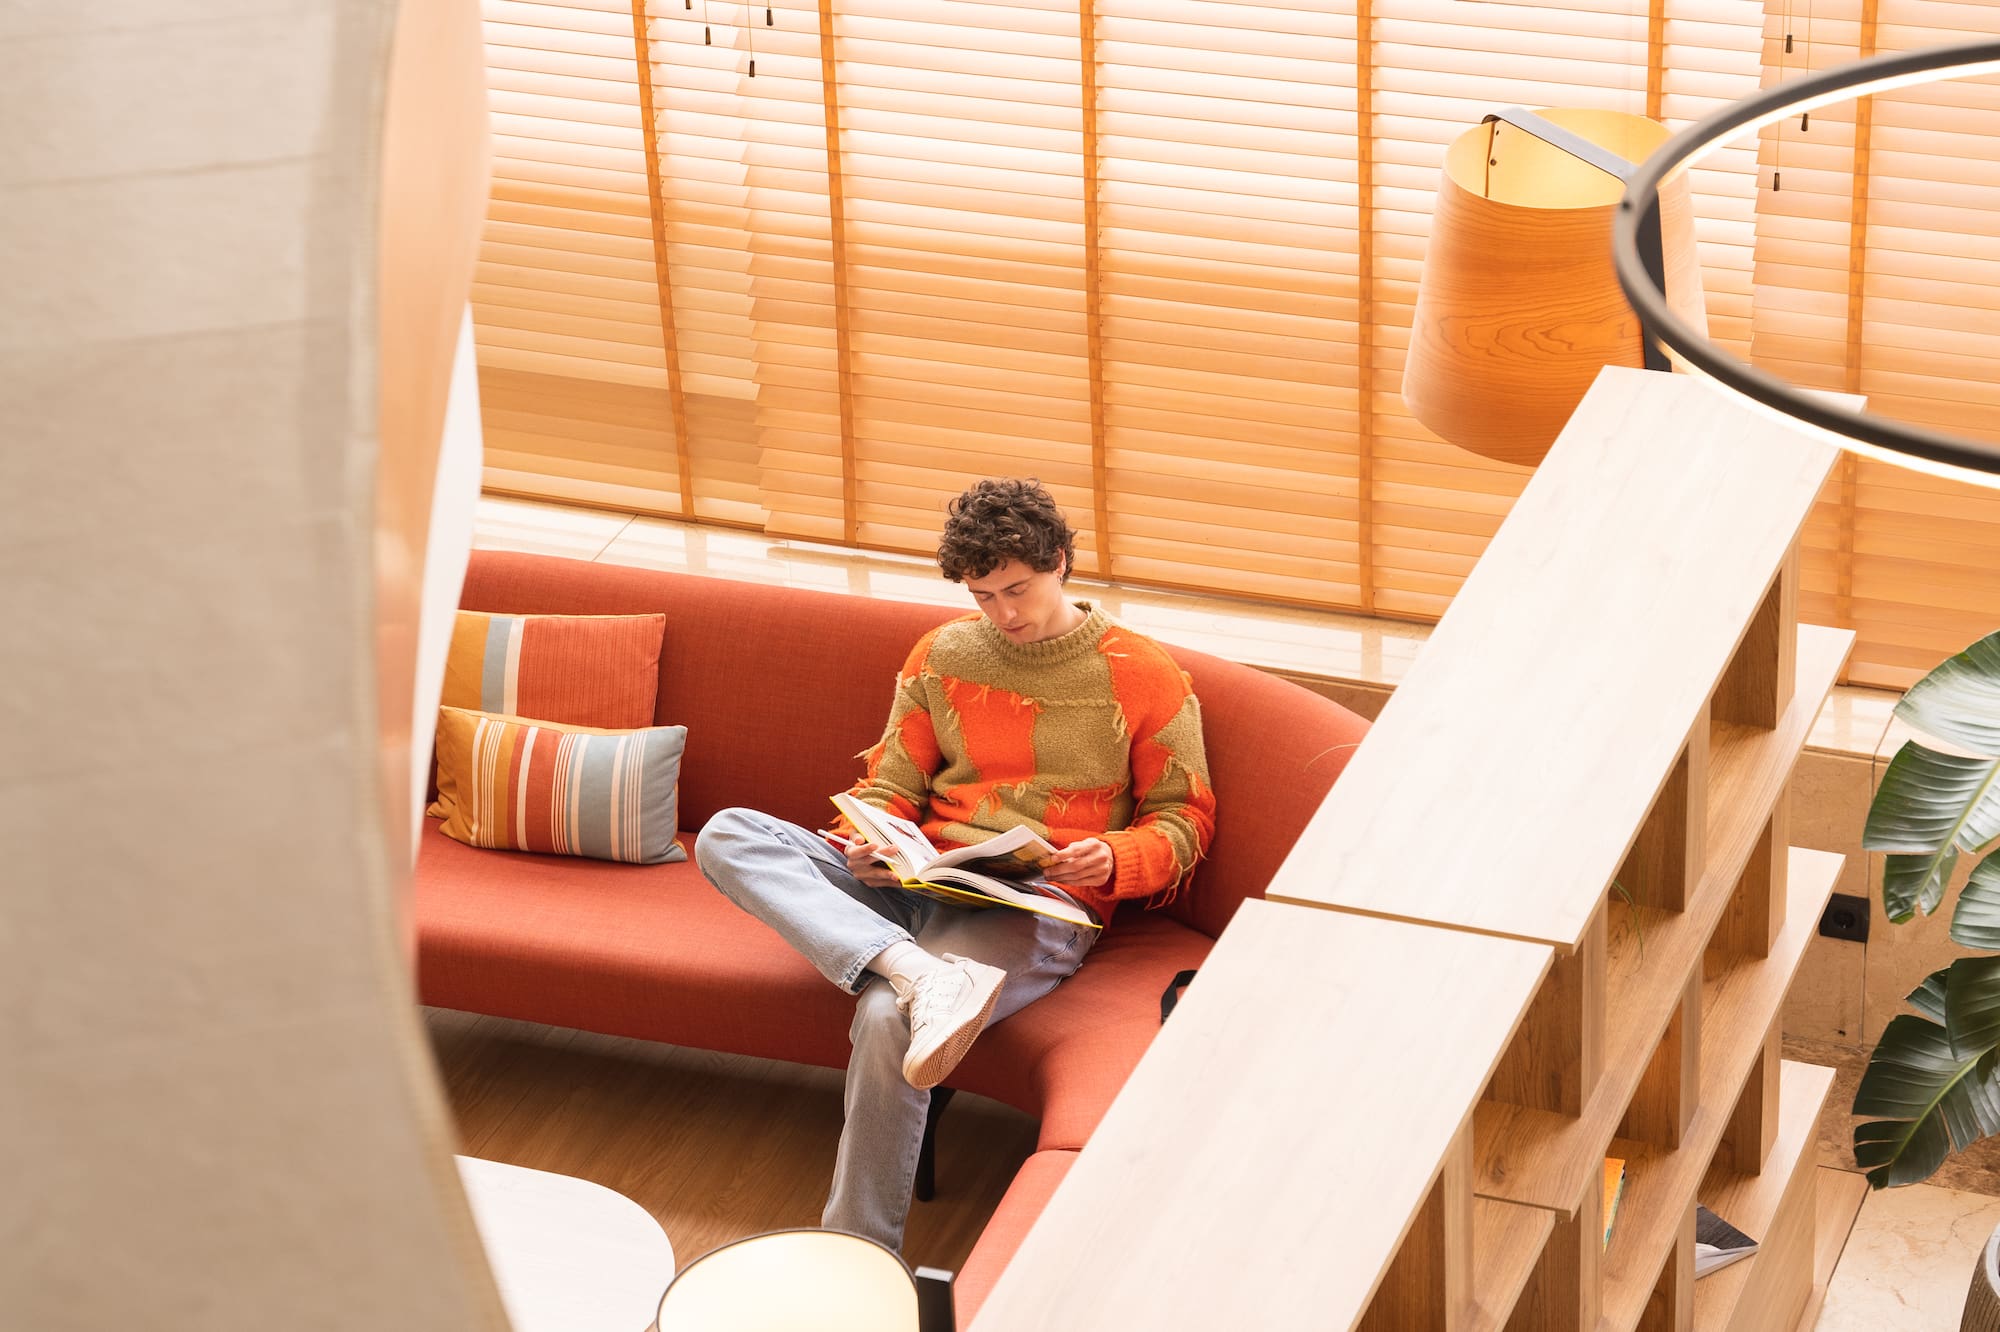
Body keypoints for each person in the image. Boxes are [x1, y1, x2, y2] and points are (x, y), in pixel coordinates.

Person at [694, 477, 1215, 1252]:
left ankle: (856, 1252)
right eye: (983, 597)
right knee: (728, 833)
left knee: (884, 1016)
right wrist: (867, 840)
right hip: (917, 884)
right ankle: (914, 968)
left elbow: (1186, 819)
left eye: (1019, 588)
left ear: (1061, 563)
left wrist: (1110, 856)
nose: (1005, 615)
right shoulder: (942, 655)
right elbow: (892, 783)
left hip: (1036, 905)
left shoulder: (1142, 673)